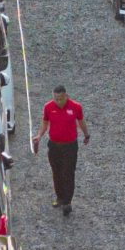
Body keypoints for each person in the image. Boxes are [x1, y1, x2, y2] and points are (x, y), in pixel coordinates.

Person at [38, 84, 88, 213]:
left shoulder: (76, 107)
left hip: (70, 146)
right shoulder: (48, 107)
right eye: (55, 98)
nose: (58, 101)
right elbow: (45, 123)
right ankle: (60, 197)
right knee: (57, 172)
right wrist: (39, 136)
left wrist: (86, 134)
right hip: (54, 145)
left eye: (60, 98)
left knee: (68, 173)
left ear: (66, 96)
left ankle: (67, 202)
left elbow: (81, 121)